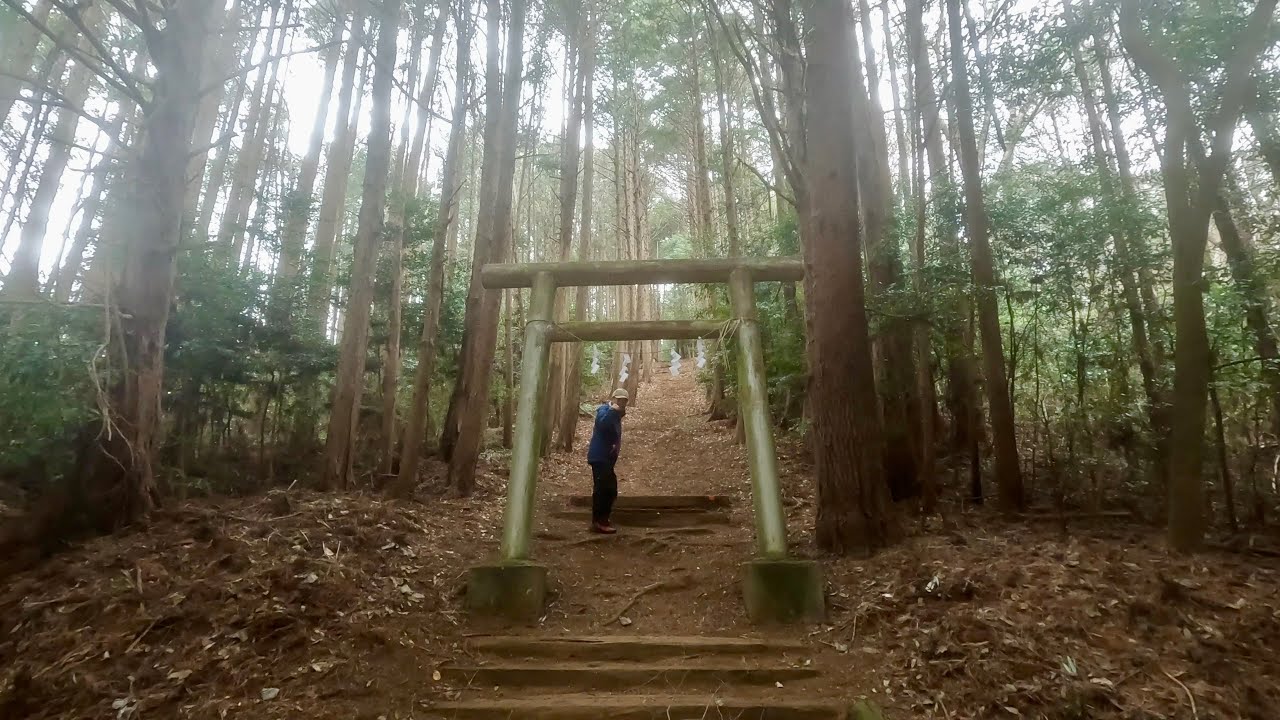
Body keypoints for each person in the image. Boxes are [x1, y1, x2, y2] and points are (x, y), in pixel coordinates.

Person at [585, 388, 629, 534]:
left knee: (610, 490)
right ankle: (598, 522)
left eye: (624, 400)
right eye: (619, 399)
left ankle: (602, 519)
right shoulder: (604, 410)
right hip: (599, 457)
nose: (621, 402)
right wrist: (613, 411)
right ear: (613, 398)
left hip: (606, 459)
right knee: (603, 489)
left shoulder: (616, 414)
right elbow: (602, 424)